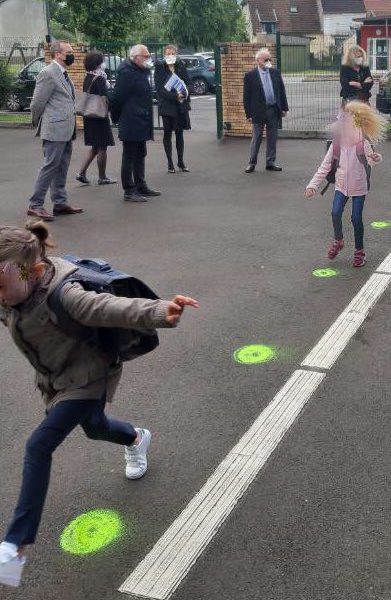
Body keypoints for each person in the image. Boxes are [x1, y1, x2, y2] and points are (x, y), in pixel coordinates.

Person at [0, 221, 199, 589]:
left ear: (31, 270)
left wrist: (160, 311)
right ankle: (136, 438)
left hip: (88, 377)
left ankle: (15, 546)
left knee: (38, 445)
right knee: (95, 428)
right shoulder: (12, 293)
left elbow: (108, 307)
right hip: (57, 380)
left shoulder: (65, 294)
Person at [305, 101, 385, 268]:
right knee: (335, 213)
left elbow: (371, 161)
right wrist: (313, 185)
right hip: (341, 186)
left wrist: (377, 158)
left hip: (359, 188)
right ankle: (338, 240)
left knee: (356, 218)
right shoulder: (336, 144)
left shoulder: (363, 144)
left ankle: (359, 252)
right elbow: (325, 166)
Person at [27, 40, 83, 222]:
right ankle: (35, 205)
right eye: (68, 51)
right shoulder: (48, 73)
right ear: (58, 54)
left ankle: (59, 203)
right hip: (54, 129)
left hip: (66, 128)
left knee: (62, 166)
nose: (71, 54)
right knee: (50, 166)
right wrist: (37, 123)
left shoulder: (63, 73)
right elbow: (37, 102)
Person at [110, 45, 161, 202]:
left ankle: (141, 185)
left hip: (141, 120)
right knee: (129, 156)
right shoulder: (127, 73)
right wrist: (118, 118)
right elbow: (117, 98)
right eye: (145, 56)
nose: (148, 59)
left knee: (140, 153)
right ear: (135, 57)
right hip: (131, 120)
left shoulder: (139, 71)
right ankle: (129, 190)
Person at [243, 48, 289, 173]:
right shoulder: (250, 76)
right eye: (266, 59)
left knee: (272, 137)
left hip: (273, 110)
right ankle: (252, 163)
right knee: (257, 137)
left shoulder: (275, 73)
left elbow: (281, 91)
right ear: (258, 61)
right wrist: (248, 114)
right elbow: (246, 97)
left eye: (269, 59)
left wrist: (284, 107)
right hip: (258, 111)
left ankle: (270, 162)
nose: (268, 61)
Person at [75, 51, 116, 186]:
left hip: (89, 116)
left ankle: (81, 173)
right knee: (102, 147)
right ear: (98, 64)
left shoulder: (88, 77)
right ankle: (102, 177)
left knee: (95, 147)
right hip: (99, 116)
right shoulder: (99, 78)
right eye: (102, 61)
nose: (104, 64)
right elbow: (104, 97)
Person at [154, 45, 192, 174]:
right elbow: (159, 89)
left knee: (179, 134)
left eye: (172, 53)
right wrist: (175, 96)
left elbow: (189, 83)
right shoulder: (160, 68)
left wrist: (185, 93)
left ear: (176, 54)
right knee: (167, 134)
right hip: (167, 106)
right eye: (168, 53)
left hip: (180, 106)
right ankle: (170, 163)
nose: (170, 55)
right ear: (164, 55)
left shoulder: (181, 66)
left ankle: (181, 162)